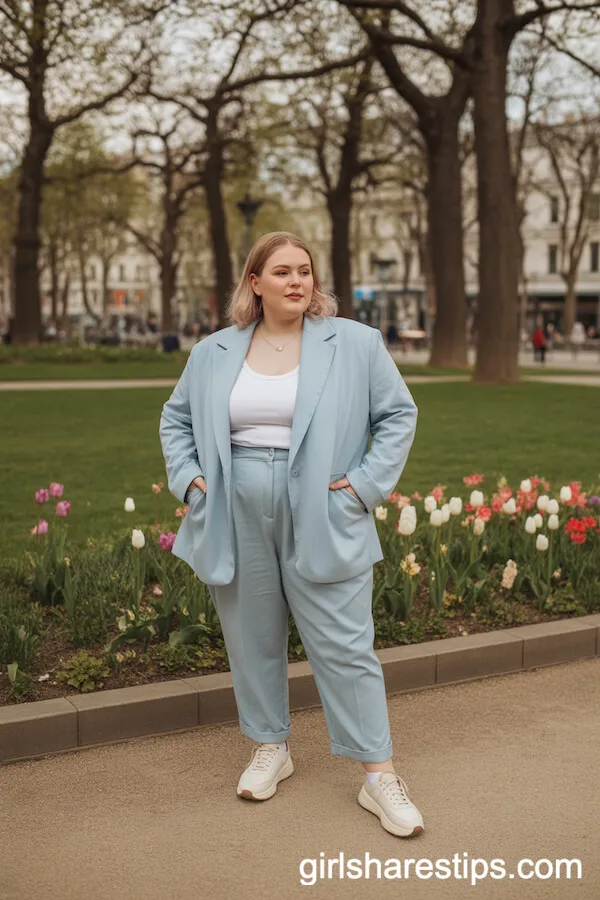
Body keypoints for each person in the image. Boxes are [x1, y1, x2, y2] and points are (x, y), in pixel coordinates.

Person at [159, 231, 423, 838]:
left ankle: (379, 775)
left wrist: (362, 487)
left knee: (345, 644)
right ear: (255, 282)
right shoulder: (214, 352)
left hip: (325, 506)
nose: (297, 281)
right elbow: (175, 420)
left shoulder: (355, 343)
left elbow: (398, 414)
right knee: (251, 635)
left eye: (304, 270)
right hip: (232, 507)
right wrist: (192, 482)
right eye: (281, 272)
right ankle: (269, 746)